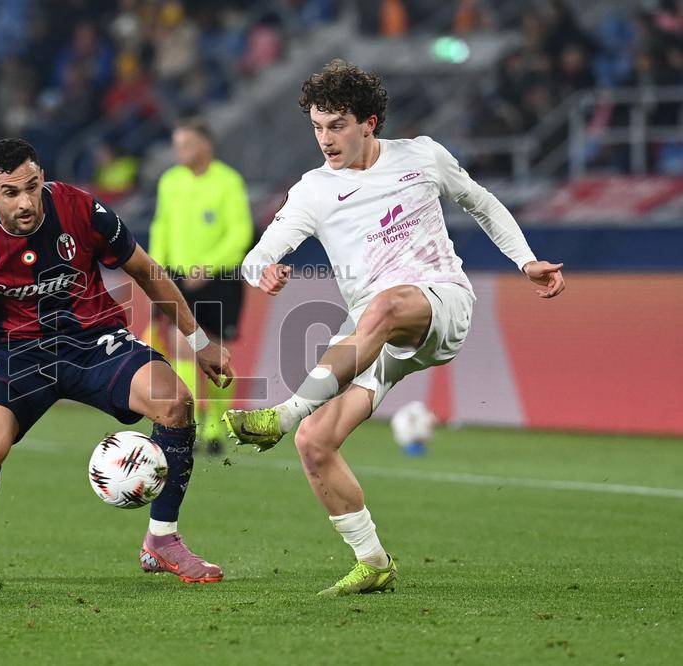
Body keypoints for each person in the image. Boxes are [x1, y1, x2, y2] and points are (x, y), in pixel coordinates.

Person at [223, 60, 565, 595]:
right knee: (316, 443)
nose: (325, 140)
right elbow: (259, 252)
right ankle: (373, 561)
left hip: (440, 303)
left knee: (382, 307)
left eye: (337, 126)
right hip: (373, 333)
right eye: (317, 127)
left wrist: (526, 261)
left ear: (370, 123)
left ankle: (284, 412)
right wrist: (260, 269)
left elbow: (482, 202)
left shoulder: (422, 156)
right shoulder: (313, 190)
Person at [0, 138, 233, 584]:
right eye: (11, 192)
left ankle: (162, 540)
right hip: (15, 353)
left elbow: (146, 271)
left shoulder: (80, 209)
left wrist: (199, 340)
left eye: (33, 186)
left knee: (175, 402)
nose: (27, 201)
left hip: (93, 339)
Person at [147, 118, 253, 454]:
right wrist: (153, 267)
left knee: (217, 354)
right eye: (177, 145)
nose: (180, 152)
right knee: (181, 346)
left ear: (205, 146)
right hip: (178, 279)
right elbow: (162, 224)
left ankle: (215, 424)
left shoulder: (228, 182)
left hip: (220, 278)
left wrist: (211, 265)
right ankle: (187, 420)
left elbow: (240, 232)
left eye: (186, 145)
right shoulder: (170, 181)